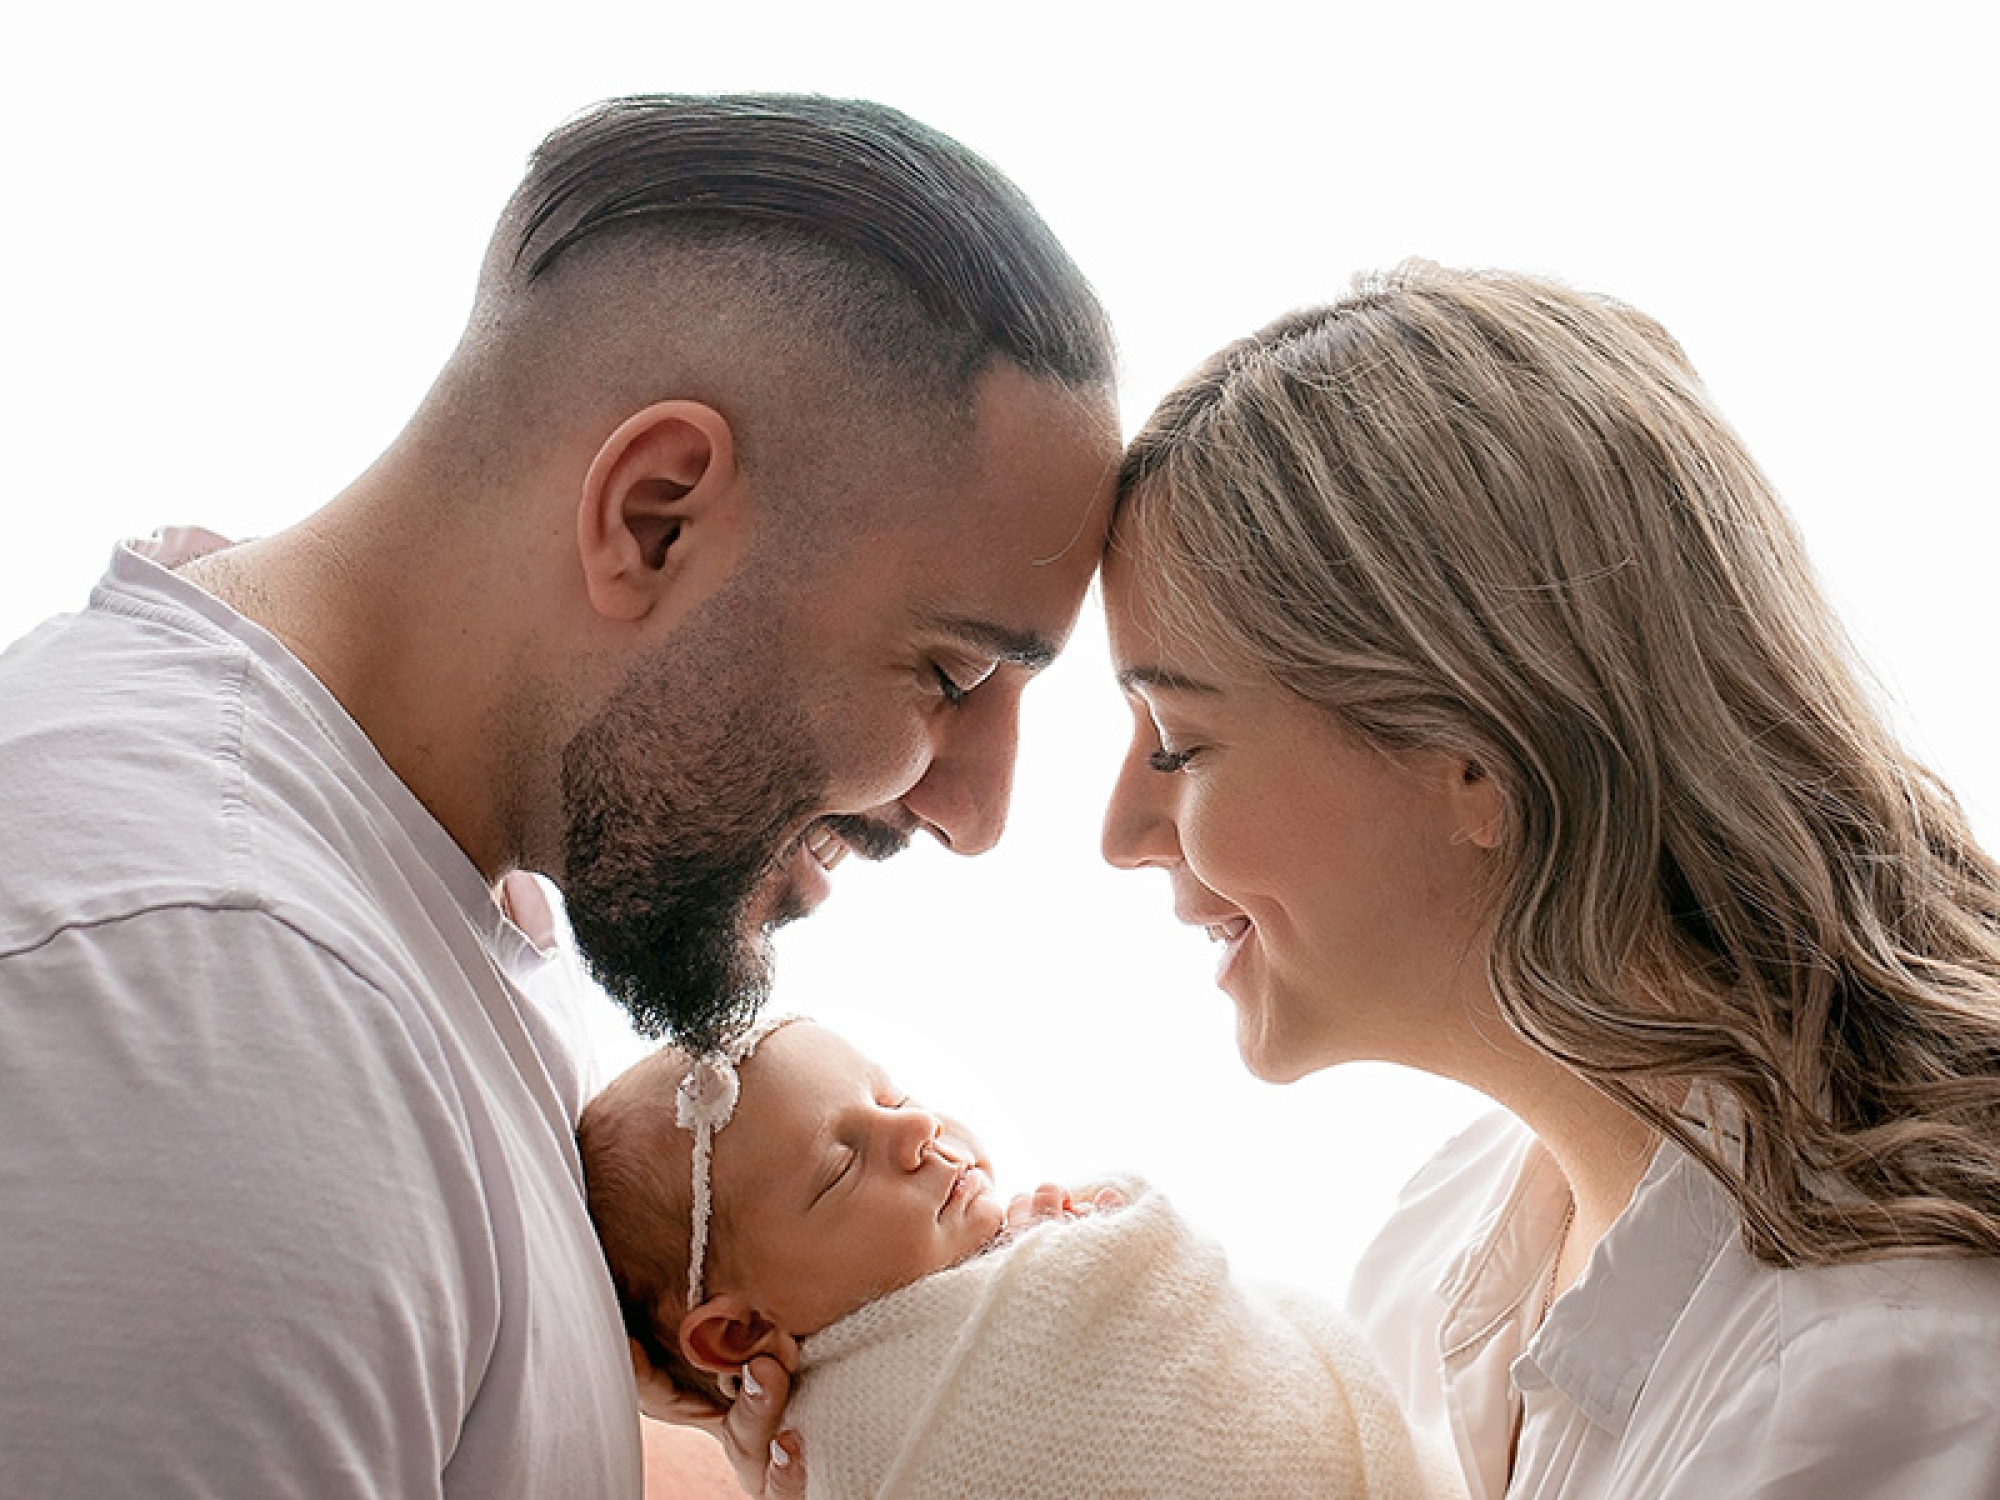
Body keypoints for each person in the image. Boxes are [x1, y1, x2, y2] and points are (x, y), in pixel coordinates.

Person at [0, 94, 1118, 1499]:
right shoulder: (205, 995)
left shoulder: (443, 882)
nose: (977, 811)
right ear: (654, 517)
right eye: (950, 673)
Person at [1086, 261, 2000, 1498]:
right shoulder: (1450, 1243)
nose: (1122, 828)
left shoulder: (1879, 1378)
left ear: (1473, 757)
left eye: (1180, 741)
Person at [579, 1015, 1459, 1499]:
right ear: (736, 1333)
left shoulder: (1023, 1270)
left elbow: (1187, 1336)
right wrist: (1078, 1255)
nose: (919, 1131)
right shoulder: (829, 1450)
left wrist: (1070, 1256)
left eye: (893, 1097)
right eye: (843, 1164)